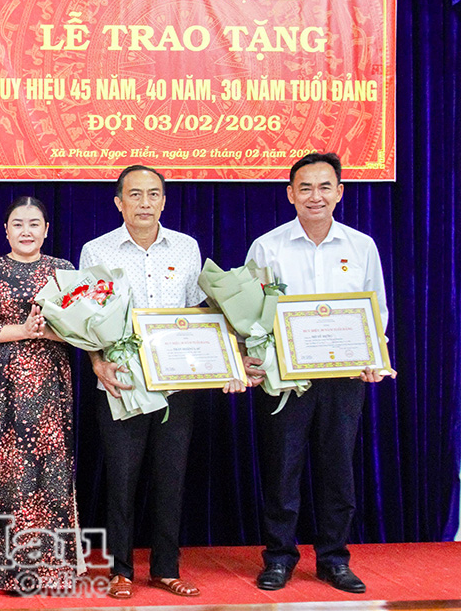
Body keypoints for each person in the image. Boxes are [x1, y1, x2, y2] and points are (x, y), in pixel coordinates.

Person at [80, 165, 244, 600]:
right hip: (121, 382)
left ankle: (166, 568)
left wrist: (226, 362)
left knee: (171, 477)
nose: (145, 203)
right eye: (135, 195)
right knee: (121, 479)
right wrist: (97, 363)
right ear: (119, 202)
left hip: (176, 382)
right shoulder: (96, 250)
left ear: (164, 201)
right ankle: (120, 570)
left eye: (153, 194)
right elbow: (86, 319)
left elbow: (201, 314)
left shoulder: (186, 247)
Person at [244, 153, 395, 594]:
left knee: (337, 472)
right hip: (285, 380)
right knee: (281, 471)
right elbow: (250, 313)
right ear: (290, 194)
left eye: (325, 187)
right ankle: (278, 558)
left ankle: (333, 559)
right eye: (305, 187)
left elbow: (376, 309)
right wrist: (254, 356)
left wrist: (373, 356)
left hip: (344, 378)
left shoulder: (361, 246)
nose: (316, 196)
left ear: (339, 192)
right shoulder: (267, 247)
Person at [0, 197, 85, 594]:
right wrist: (22, 330)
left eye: (34, 223)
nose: (26, 231)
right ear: (5, 230)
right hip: (5, 387)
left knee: (52, 472)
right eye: (18, 223)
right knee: (9, 473)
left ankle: (53, 569)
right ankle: (8, 570)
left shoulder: (63, 271)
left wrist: (49, 331)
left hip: (52, 385)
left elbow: (82, 330)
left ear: (47, 230)